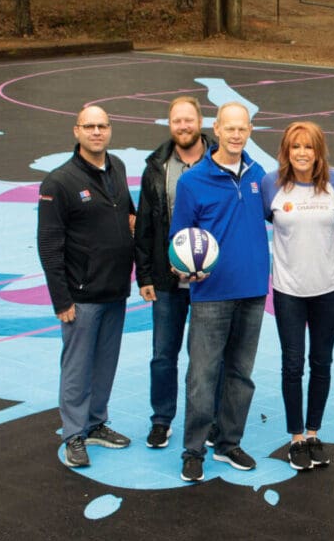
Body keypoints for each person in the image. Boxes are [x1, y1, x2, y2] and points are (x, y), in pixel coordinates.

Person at [169, 102, 270, 483]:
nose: (235, 134)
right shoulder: (193, 181)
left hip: (253, 291)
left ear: (250, 130)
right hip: (211, 294)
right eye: (229, 128)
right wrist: (181, 265)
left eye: (242, 128)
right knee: (202, 375)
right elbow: (178, 238)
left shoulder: (258, 175)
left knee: (241, 374)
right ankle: (193, 449)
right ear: (217, 128)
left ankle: (228, 442)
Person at [36, 103, 135, 467]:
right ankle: (73, 434)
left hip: (115, 289)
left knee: (106, 363)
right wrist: (61, 298)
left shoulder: (118, 168)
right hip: (80, 296)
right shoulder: (59, 182)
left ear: (110, 130)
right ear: (76, 131)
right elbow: (48, 244)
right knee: (77, 368)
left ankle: (96, 423)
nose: (97, 132)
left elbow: (126, 214)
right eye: (89, 126)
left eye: (102, 126)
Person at [260, 121, 334, 470]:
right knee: (292, 365)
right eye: (295, 147)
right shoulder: (272, 184)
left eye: (308, 147)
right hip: (289, 292)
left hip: (327, 290)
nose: (302, 153)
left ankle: (313, 433)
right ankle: (296, 438)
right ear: (286, 150)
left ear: (318, 151)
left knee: (321, 364)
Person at [134, 96, 215, 450]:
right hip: (168, 282)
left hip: (211, 281)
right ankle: (161, 420)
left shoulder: (221, 161)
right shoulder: (156, 166)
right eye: (176, 121)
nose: (183, 126)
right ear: (170, 125)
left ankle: (208, 420)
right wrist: (145, 275)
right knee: (164, 354)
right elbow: (145, 225)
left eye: (189, 120)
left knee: (209, 356)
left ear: (200, 121)